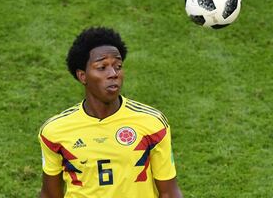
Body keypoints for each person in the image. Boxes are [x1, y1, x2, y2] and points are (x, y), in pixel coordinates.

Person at [38, 27, 183, 198]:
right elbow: (50, 194)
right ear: (83, 76)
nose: (113, 74)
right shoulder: (55, 131)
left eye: (118, 66)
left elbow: (169, 192)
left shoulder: (152, 123)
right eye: (102, 67)